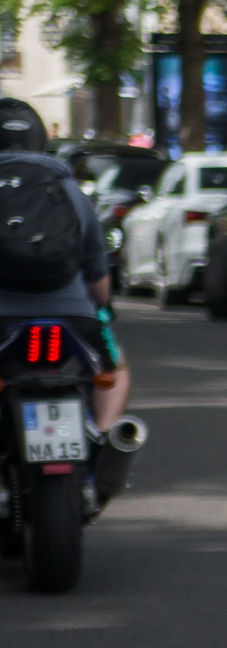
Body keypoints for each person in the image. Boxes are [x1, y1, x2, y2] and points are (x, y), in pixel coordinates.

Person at [0, 98, 127, 425]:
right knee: (115, 371)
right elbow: (96, 268)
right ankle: (104, 435)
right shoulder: (69, 189)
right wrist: (104, 307)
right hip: (72, 316)